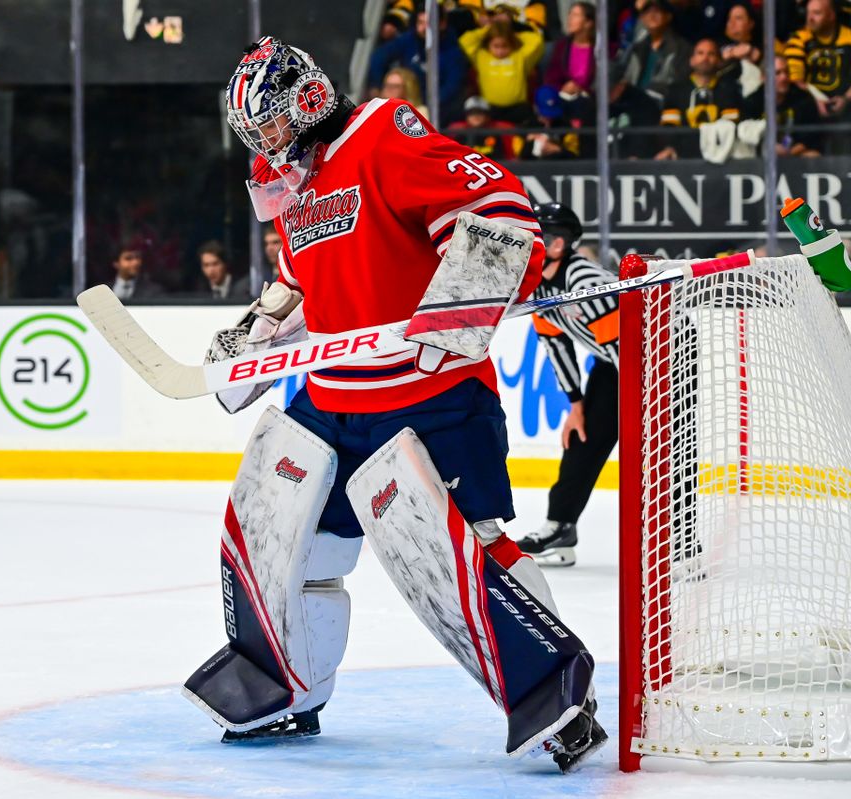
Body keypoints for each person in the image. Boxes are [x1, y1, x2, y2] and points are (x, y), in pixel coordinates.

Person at [188, 36, 606, 771]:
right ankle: (285, 687)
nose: (265, 143)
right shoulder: (297, 179)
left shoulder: (382, 133)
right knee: (287, 543)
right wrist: (257, 333)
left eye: (272, 125)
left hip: (431, 395)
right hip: (332, 396)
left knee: (461, 549)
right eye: (255, 134)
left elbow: (501, 212)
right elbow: (298, 277)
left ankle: (555, 691)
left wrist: (453, 313)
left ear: (308, 100)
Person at [515, 203, 619, 568]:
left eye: (546, 236)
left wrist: (649, 405)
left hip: (666, 357)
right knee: (582, 436)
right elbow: (556, 346)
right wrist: (576, 406)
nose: (539, 243)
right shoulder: (539, 289)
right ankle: (561, 527)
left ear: (562, 243)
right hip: (615, 363)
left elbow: (626, 345)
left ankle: (682, 544)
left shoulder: (584, 282)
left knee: (665, 450)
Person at [783, 0, 851, 153]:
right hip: (810, 107)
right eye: (808, 13)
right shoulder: (798, 39)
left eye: (817, 13)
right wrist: (816, 101)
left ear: (832, 16)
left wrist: (846, 99)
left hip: (845, 107)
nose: (810, 18)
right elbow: (795, 79)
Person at [368, 8, 468, 122]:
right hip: (407, 101)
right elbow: (379, 57)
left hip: (439, 109)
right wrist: (376, 85)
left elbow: (452, 87)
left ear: (442, 24)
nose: (424, 28)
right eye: (420, 23)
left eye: (429, 23)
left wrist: (427, 104)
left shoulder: (454, 52)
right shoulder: (410, 39)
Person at [655, 37, 743, 160]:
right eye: (700, 53)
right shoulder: (676, 90)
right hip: (682, 156)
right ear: (692, 60)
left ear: (719, 61)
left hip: (720, 156)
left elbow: (730, 126)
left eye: (711, 54)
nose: (705, 58)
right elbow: (669, 126)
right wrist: (670, 148)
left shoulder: (729, 90)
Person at [458, 17, 545, 122]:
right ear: (488, 44)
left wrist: (511, 33)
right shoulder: (481, 57)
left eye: (505, 46)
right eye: (496, 46)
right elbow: (465, 41)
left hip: (518, 109)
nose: (500, 51)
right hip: (491, 110)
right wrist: (488, 29)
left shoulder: (521, 57)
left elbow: (537, 40)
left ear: (511, 44)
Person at [617, 0, 693, 102]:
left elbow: (680, 82)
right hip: (634, 103)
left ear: (668, 17)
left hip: (663, 102)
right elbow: (626, 78)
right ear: (642, 18)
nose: (651, 16)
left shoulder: (681, 48)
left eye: (657, 11)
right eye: (646, 12)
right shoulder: (636, 48)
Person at [541, 2, 597, 98]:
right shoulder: (562, 46)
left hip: (588, 98)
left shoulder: (599, 48)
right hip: (563, 94)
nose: (570, 18)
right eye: (570, 14)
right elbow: (551, 77)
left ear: (588, 23)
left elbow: (602, 82)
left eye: (575, 15)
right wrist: (562, 88)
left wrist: (580, 89)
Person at [446, 95, 522, 159]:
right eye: (471, 113)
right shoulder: (457, 131)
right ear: (466, 115)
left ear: (487, 115)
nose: (475, 116)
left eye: (480, 112)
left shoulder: (501, 129)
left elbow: (514, 155)